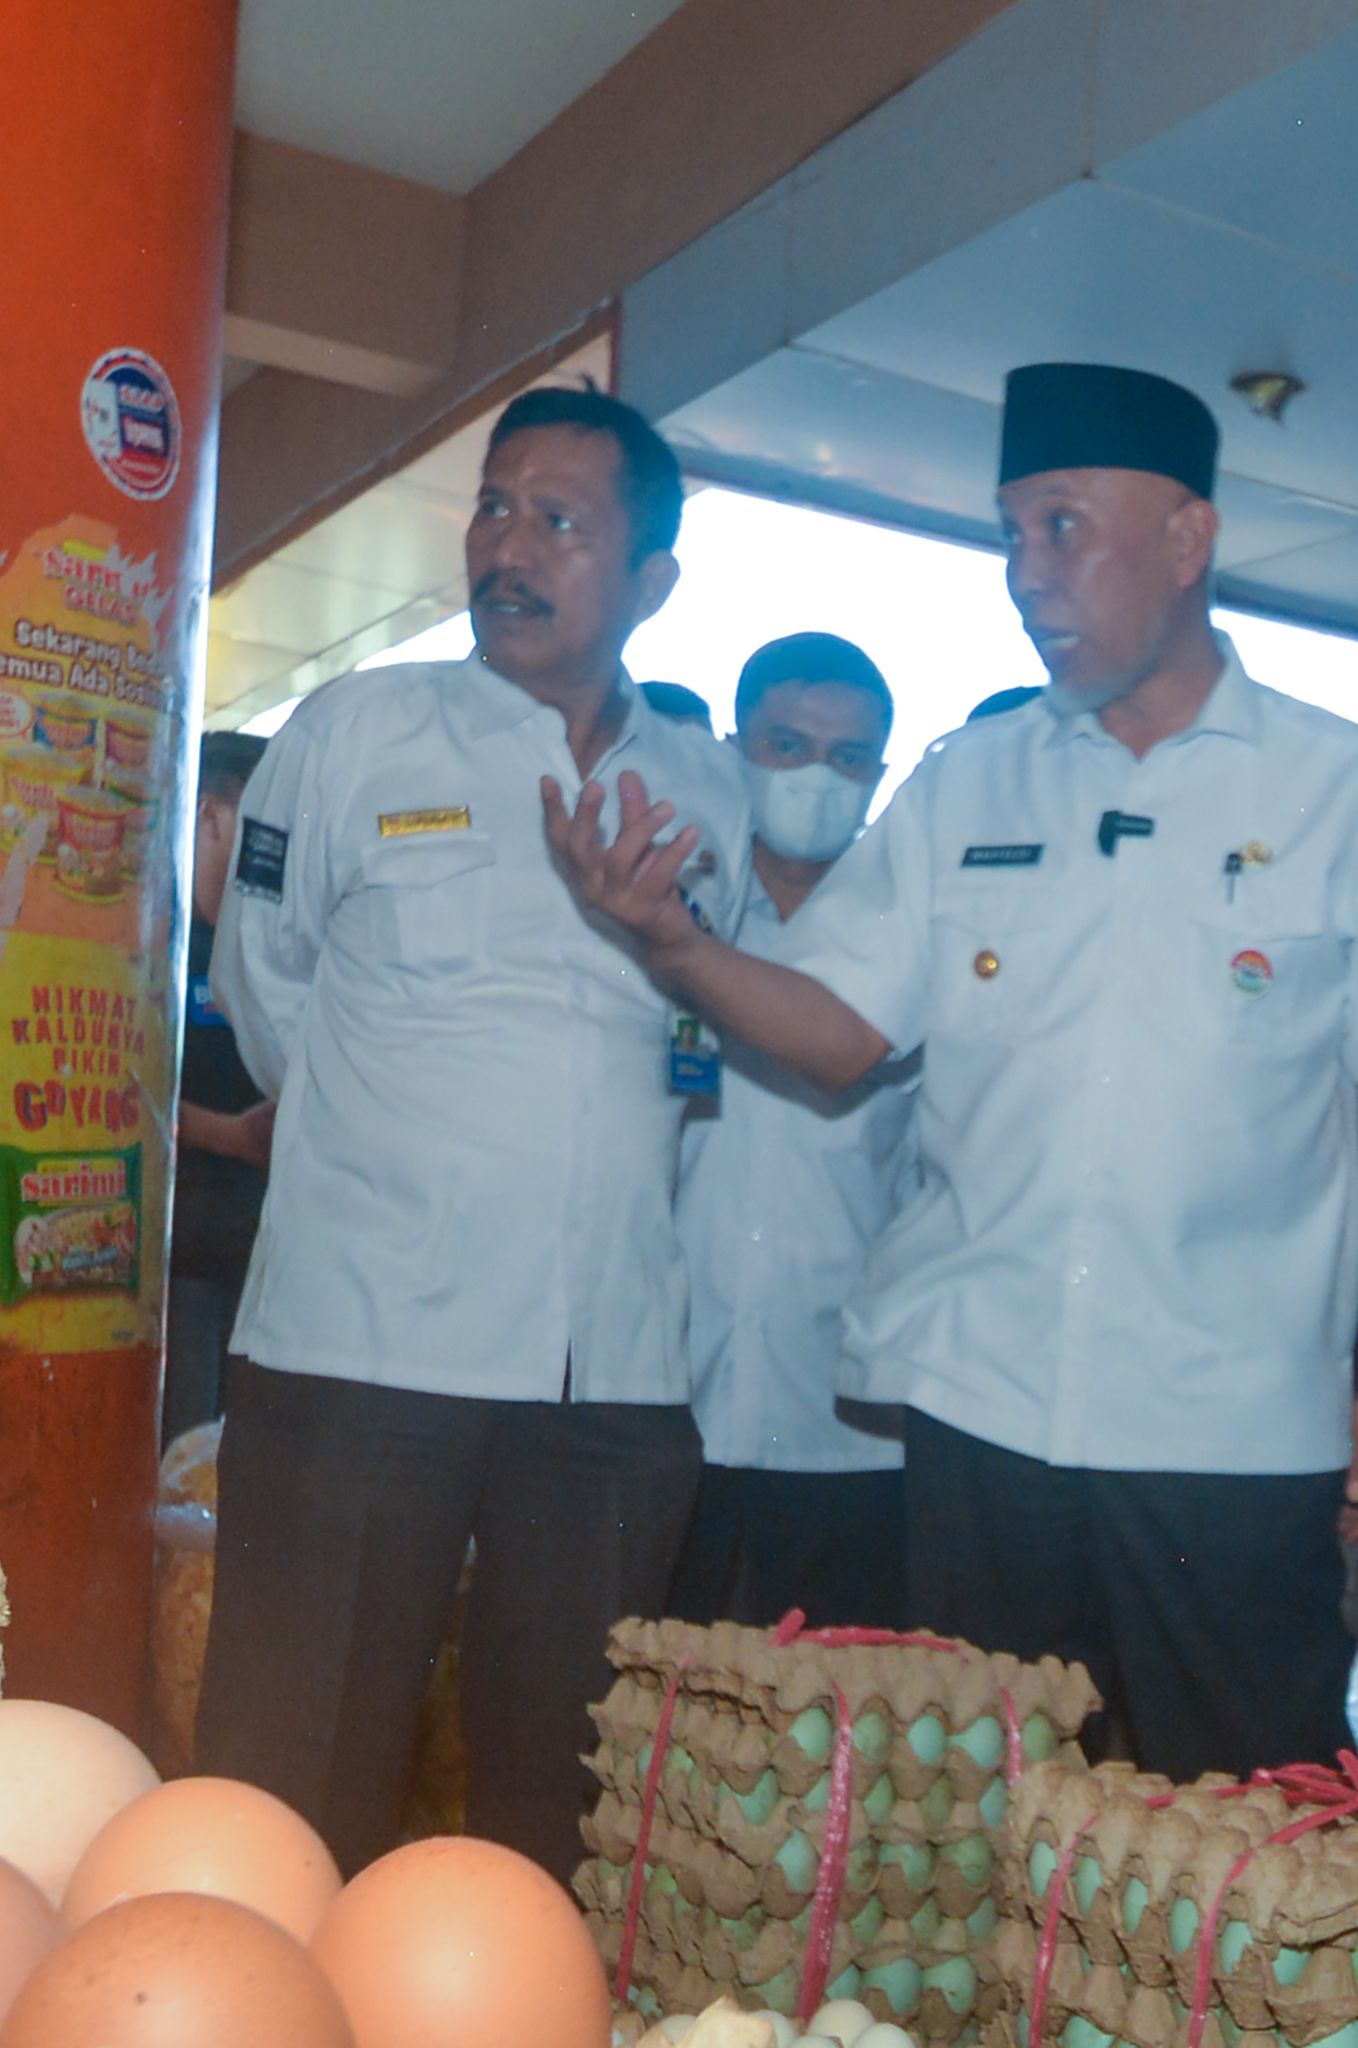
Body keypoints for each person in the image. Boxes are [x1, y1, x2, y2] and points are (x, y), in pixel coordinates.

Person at [551, 362, 1358, 1781]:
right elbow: (840, 1028)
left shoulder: (1342, 787)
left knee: (1230, 1821)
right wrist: (673, 943)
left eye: (1064, 527)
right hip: (984, 1414)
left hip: (1228, 1428)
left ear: (1188, 540)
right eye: (1009, 535)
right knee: (973, 1829)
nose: (1026, 577)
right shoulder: (967, 780)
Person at [198, 387, 751, 1874]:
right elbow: (267, 988)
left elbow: (704, 1049)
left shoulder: (707, 786)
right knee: (292, 1777)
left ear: (649, 582)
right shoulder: (359, 731)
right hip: (361, 1345)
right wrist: (406, 1154)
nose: (507, 545)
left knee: (558, 1803)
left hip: (613, 1379)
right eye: (493, 507)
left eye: (558, 521)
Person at [668, 631, 918, 1633]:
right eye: (785, 744)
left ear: (879, 775)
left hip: (847, 1424)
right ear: (736, 748)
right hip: (667, 1396)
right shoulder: (672, 916)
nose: (818, 776)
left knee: (830, 1735)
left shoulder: (908, 937)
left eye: (849, 757)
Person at [166, 727, 271, 1440]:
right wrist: (231, 1136)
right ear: (209, 816)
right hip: (177, 1268)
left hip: (267, 1264)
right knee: (177, 1452)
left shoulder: (271, 942)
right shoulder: (152, 935)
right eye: (263, 824)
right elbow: (104, 1088)